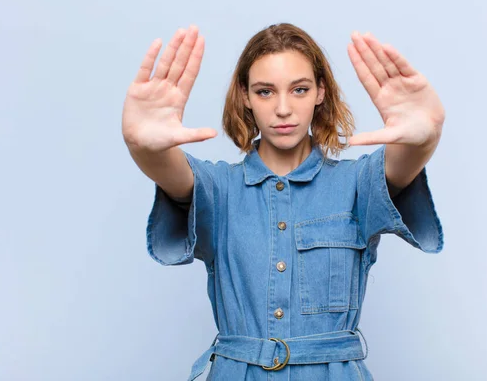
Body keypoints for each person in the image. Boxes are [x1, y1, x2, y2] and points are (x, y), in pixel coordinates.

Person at [122, 23, 445, 380]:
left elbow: (402, 163)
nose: (283, 108)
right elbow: (171, 172)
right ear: (245, 96)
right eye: (264, 92)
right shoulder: (220, 188)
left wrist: (425, 138)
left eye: (299, 89)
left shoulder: (356, 184)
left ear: (320, 92)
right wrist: (142, 147)